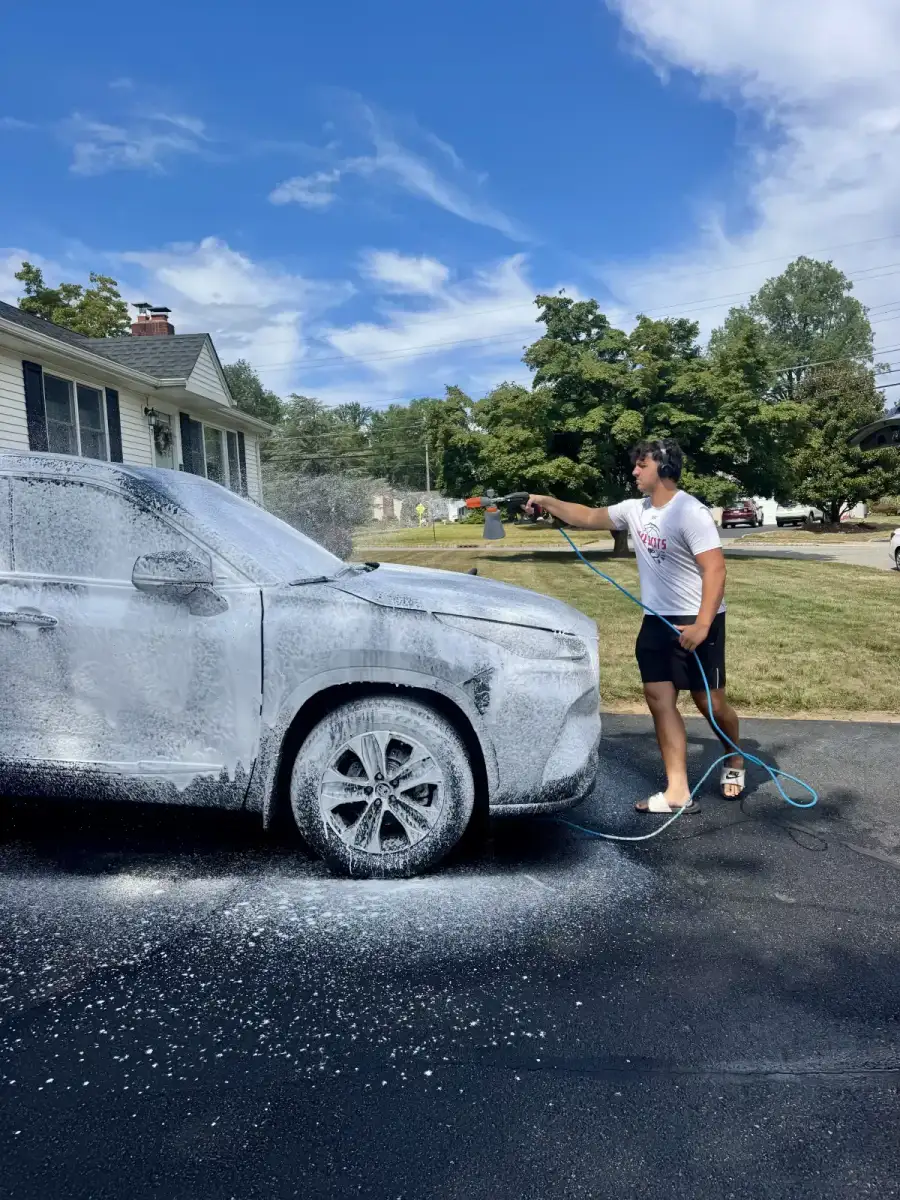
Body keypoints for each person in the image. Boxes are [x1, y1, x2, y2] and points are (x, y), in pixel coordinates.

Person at [526, 438, 744, 813]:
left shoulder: (690, 511)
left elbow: (715, 570)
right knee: (660, 700)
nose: (634, 471)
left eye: (642, 465)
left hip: (697, 620)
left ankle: (735, 755)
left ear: (663, 467)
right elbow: (587, 516)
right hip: (656, 622)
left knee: (710, 703)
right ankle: (677, 790)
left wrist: (703, 625)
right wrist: (546, 501)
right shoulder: (634, 510)